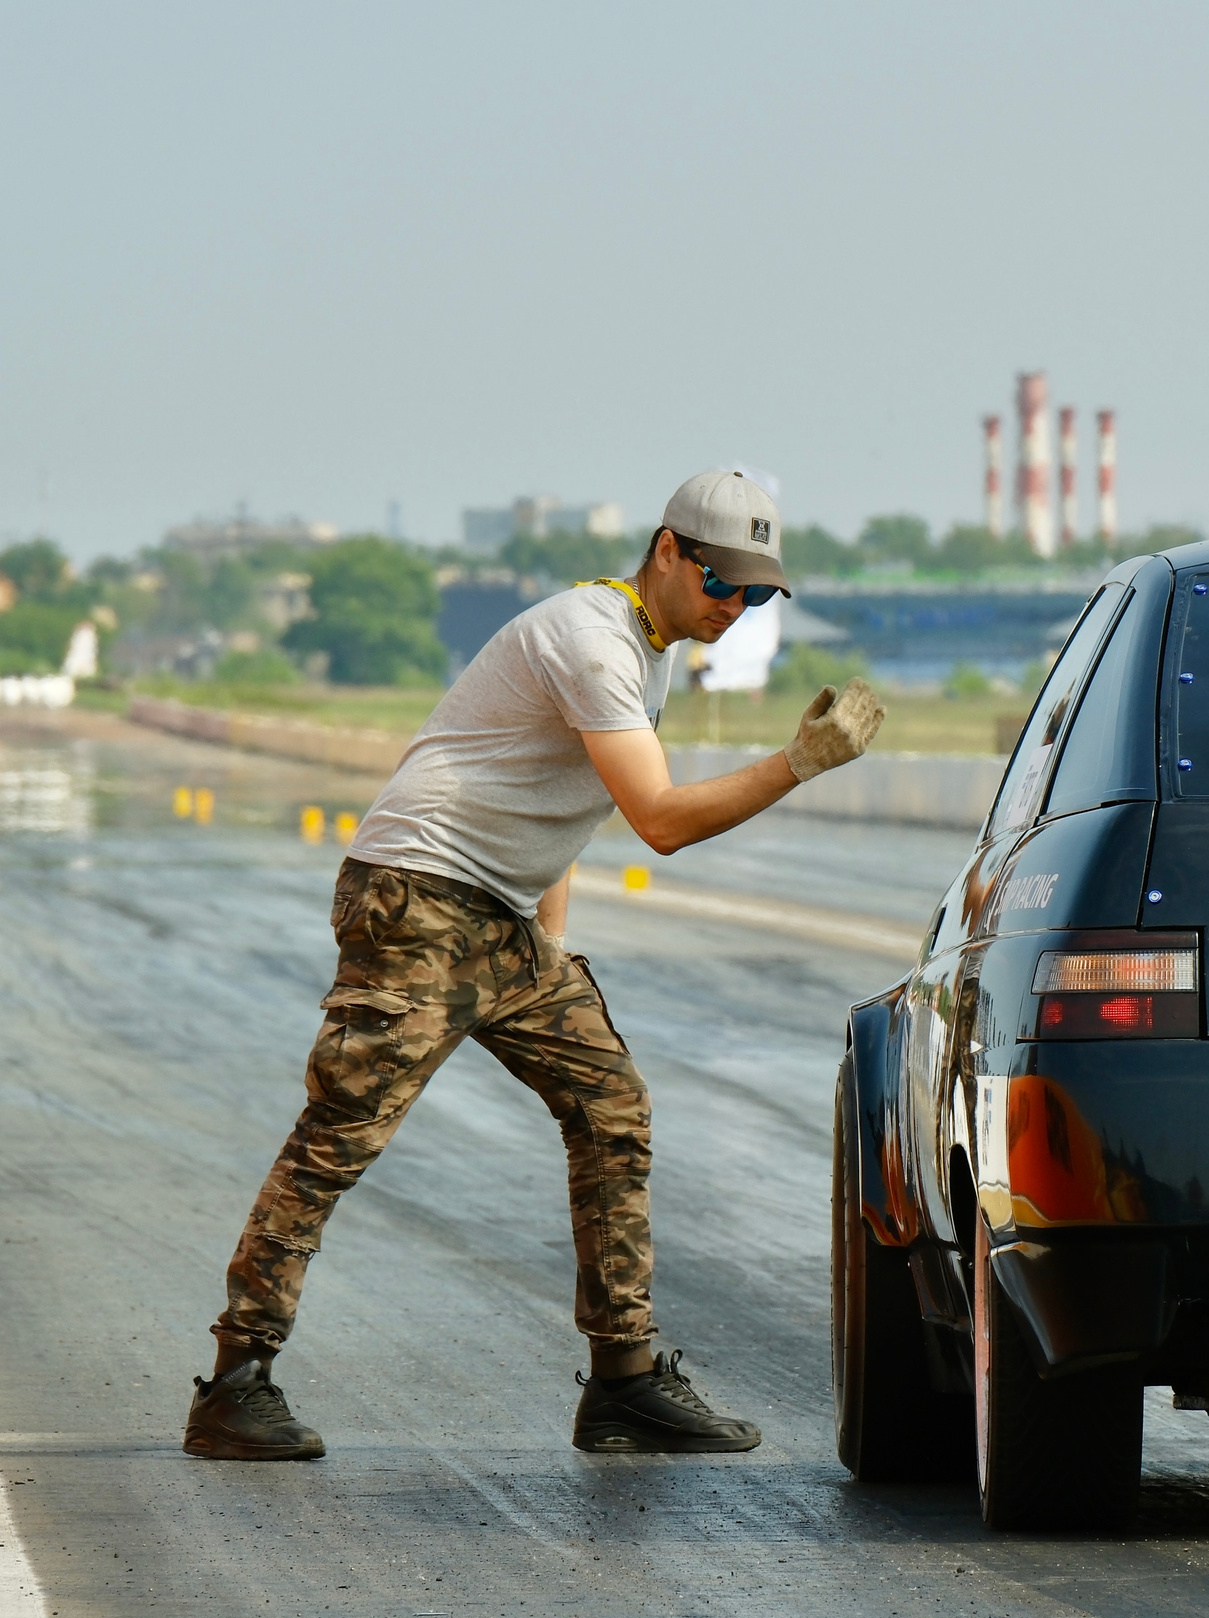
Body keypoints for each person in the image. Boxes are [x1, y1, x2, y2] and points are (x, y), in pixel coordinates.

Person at [183, 467, 884, 1461]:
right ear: (668, 551)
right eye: (722, 582)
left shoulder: (652, 649)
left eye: (758, 594)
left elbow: (565, 806)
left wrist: (548, 947)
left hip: (501, 921)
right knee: (341, 1134)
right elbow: (659, 820)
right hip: (416, 900)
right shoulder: (593, 639)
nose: (735, 607)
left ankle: (624, 1383)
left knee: (613, 1109)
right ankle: (235, 1383)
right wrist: (798, 762)